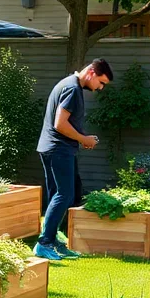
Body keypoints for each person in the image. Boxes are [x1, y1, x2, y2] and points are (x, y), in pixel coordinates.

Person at [34, 58, 114, 261]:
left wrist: (83, 138)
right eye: (101, 82)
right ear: (92, 72)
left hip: (53, 148)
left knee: (58, 196)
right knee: (65, 194)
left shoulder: (68, 84)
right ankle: (44, 243)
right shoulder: (72, 88)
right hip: (58, 149)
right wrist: (82, 138)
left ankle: (53, 241)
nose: (100, 88)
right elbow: (60, 124)